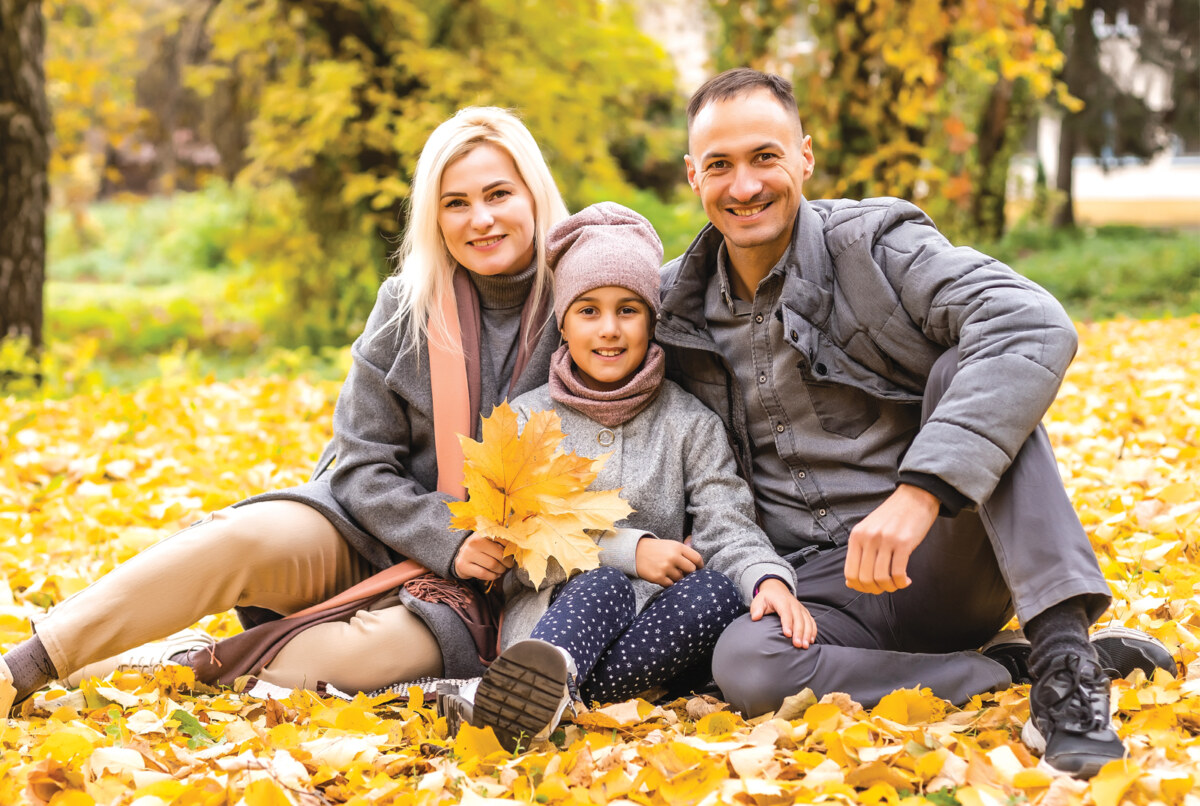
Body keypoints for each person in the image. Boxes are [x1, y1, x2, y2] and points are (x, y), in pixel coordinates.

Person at [654, 68, 1177, 779]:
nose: (743, 186)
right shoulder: (674, 304)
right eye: (720, 165)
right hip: (824, 596)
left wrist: (921, 490)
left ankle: (1065, 665)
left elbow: (1032, 321)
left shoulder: (874, 245)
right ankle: (992, 673)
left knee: (972, 372)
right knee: (742, 663)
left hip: (942, 553)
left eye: (764, 157)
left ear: (804, 156)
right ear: (693, 175)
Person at [0, 106, 570, 713]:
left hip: (473, 594)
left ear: (533, 194)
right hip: (368, 528)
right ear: (435, 216)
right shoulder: (408, 306)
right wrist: (444, 534)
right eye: (456, 203)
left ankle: (180, 663)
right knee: (235, 539)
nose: (480, 219)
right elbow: (358, 465)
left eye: (498, 194)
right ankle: (25, 667)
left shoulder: (584, 310)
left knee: (341, 665)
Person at [439, 202, 812, 751]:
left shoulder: (689, 423)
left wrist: (767, 578)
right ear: (562, 321)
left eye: (628, 310)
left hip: (651, 634)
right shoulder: (524, 419)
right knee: (604, 583)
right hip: (553, 617)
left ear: (651, 318)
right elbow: (514, 535)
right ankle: (549, 679)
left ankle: (534, 705)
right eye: (588, 311)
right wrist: (627, 552)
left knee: (717, 592)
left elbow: (728, 524)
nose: (609, 330)